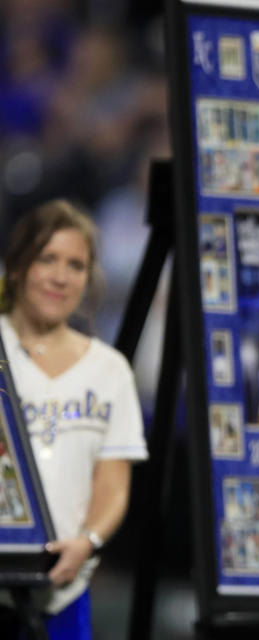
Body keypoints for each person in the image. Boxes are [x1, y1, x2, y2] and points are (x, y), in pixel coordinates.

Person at [0, 199, 148, 639]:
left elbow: (113, 483)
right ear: (20, 266)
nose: (61, 277)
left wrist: (89, 541)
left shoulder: (110, 370)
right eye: (48, 259)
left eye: (76, 265)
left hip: (64, 595)